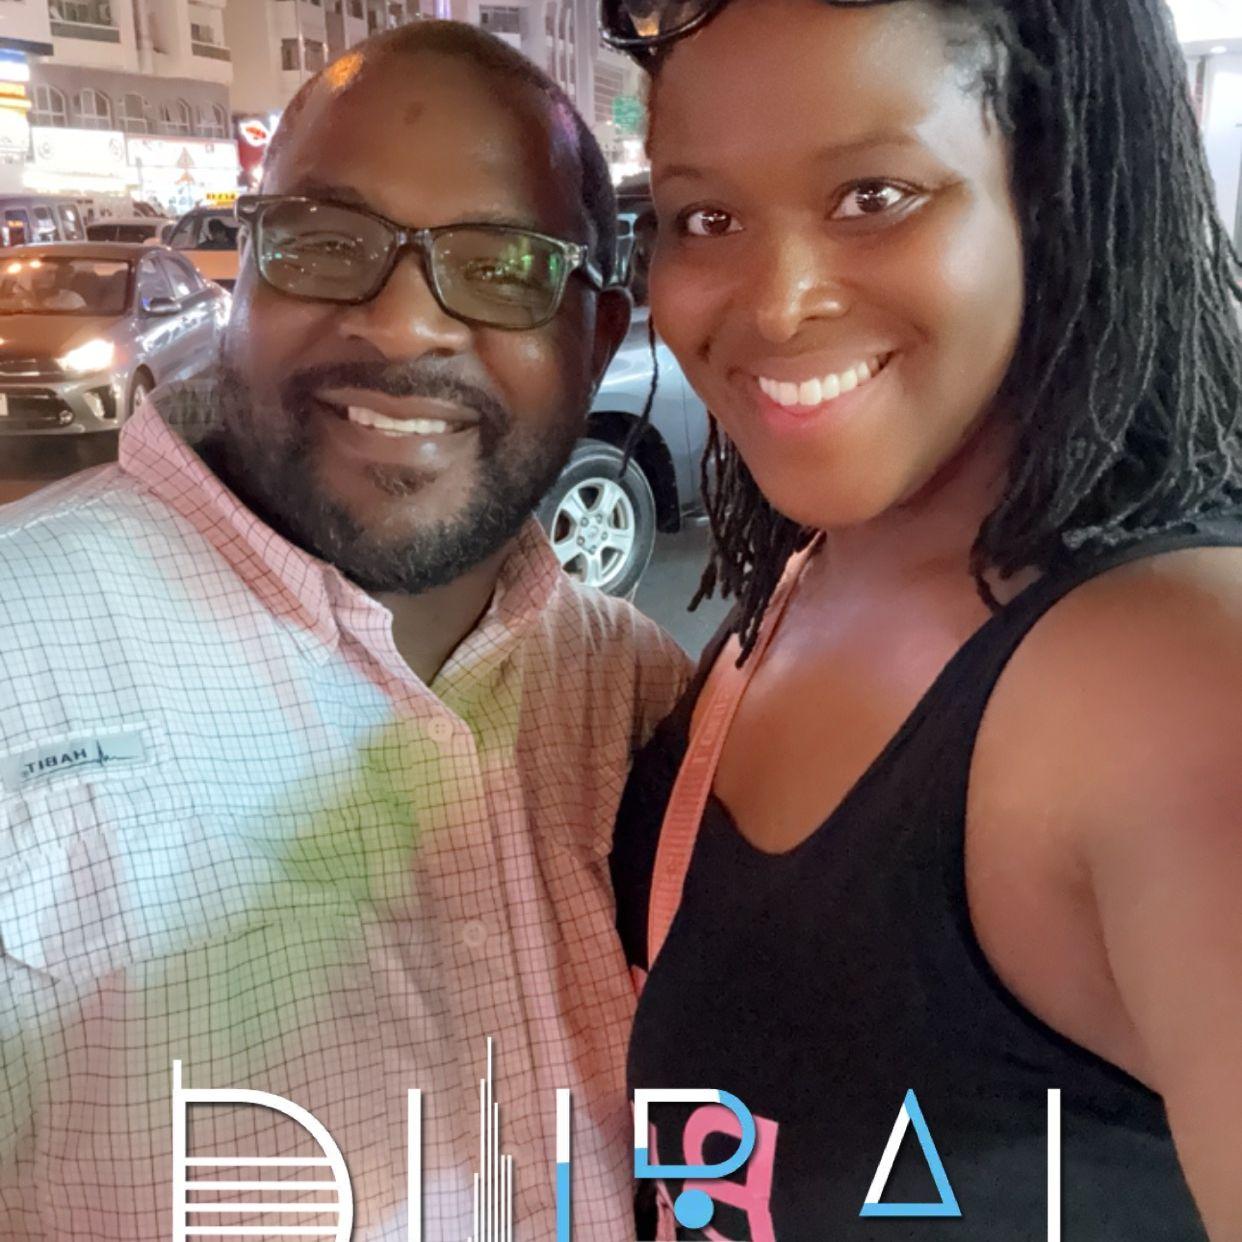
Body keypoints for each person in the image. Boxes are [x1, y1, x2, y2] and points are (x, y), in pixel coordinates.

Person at [0, 23, 687, 1242]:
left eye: (502, 266)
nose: (404, 325)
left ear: (594, 341)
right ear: (240, 283)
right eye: (325, 241)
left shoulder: (639, 696)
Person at [603, 0, 1242, 1238]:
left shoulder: (1176, 685)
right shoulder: (812, 576)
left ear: (1051, 193)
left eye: (874, 196)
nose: (778, 304)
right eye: (707, 218)